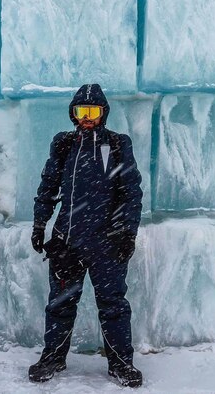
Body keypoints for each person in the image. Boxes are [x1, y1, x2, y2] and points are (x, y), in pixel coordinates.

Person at [28, 83, 143, 388]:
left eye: (93, 111)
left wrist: (127, 233)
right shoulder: (64, 144)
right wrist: (40, 224)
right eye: (81, 111)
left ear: (103, 113)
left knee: (113, 305)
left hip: (107, 242)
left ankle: (121, 365)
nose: (87, 118)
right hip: (68, 241)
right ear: (73, 113)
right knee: (60, 304)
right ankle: (52, 357)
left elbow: (130, 192)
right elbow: (48, 187)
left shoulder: (114, 145)